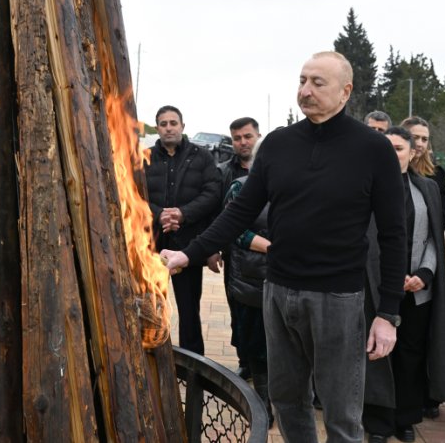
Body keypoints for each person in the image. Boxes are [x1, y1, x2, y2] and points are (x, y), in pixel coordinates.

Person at [161, 51, 407, 443]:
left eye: (317, 83)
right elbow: (238, 211)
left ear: (346, 92)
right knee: (287, 400)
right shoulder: (277, 144)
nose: (305, 90)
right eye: (302, 80)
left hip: (338, 297)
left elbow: (395, 235)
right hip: (277, 291)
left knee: (342, 410)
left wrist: (388, 313)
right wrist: (188, 253)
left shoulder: (372, 149)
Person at [363, 126, 445, 443]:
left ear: (413, 152)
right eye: (386, 147)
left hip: (416, 289)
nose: (392, 154)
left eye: (399, 148)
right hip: (374, 289)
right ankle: (378, 422)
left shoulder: (426, 189)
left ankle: (405, 417)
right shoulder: (365, 188)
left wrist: (425, 274)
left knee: (410, 355)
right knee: (377, 355)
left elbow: (434, 236)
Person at [145, 105, 221, 355]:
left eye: (173, 123)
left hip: (188, 246)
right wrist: (161, 215)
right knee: (151, 306)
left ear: (182, 126)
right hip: (152, 245)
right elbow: (134, 194)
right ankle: (155, 357)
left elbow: (212, 193)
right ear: (157, 128)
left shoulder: (201, 157)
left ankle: (193, 365)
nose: (169, 127)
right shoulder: (145, 157)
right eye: (164, 123)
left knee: (189, 311)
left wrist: (182, 213)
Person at [400, 115, 445, 418]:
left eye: (424, 139)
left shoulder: (434, 179)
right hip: (391, 276)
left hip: (421, 273)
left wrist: (424, 271)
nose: (418, 144)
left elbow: (437, 228)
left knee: (416, 344)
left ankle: (419, 400)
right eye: (413, 138)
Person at [224, 137, 273, 426]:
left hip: (286, 280)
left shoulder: (293, 187)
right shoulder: (240, 187)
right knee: (257, 348)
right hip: (252, 280)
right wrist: (271, 247)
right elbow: (235, 230)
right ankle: (263, 405)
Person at [217, 117, 261, 379]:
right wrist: (212, 249)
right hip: (235, 256)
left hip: (265, 261)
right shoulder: (224, 172)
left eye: (247, 136)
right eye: (237, 138)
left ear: (257, 136)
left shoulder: (273, 171)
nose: (243, 142)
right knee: (238, 311)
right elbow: (218, 214)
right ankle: (245, 359)